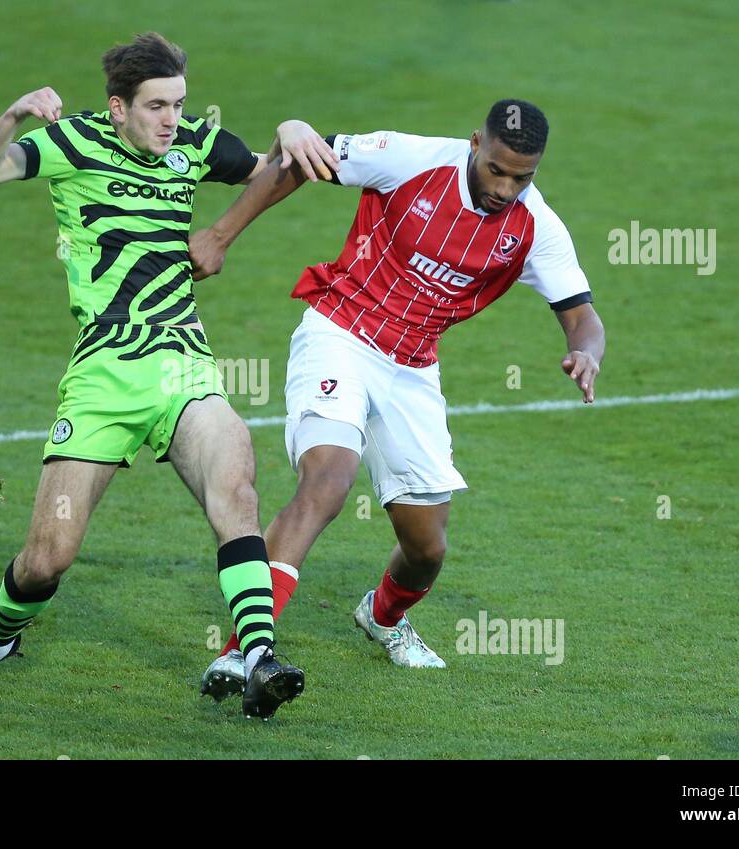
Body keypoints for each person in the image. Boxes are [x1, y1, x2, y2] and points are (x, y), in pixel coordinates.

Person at [0, 32, 334, 719]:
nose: (173, 119)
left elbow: (283, 166)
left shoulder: (194, 142)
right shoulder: (73, 143)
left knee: (236, 486)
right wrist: (14, 113)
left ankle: (257, 656)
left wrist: (290, 131)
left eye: (180, 103)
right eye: (158, 106)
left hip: (182, 364)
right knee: (48, 557)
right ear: (117, 108)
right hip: (103, 375)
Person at [189, 99, 605, 694]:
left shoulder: (536, 227)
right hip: (340, 330)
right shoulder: (408, 159)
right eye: (496, 169)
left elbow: (584, 319)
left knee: (426, 547)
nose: (505, 187)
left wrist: (587, 352)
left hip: (412, 369)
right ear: (473, 144)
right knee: (326, 484)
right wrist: (221, 234)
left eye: (522, 177)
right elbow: (299, 157)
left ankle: (383, 619)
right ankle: (242, 652)